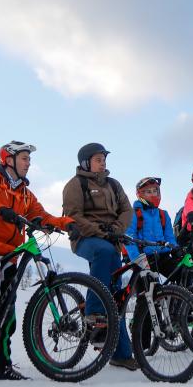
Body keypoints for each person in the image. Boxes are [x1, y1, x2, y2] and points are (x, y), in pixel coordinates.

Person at [0, 142, 75, 380]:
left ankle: (4, 366)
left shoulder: (25, 193)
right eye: (24, 158)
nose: (28, 163)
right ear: (8, 159)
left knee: (7, 311)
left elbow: (40, 215)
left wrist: (65, 223)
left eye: (29, 160)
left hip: (9, 253)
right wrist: (0, 209)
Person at [62, 143, 137, 370]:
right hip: (86, 239)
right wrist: (100, 231)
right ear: (86, 162)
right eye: (98, 158)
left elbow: (127, 210)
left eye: (104, 158)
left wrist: (116, 228)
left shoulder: (114, 185)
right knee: (103, 253)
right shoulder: (75, 185)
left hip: (111, 239)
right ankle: (94, 312)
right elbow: (73, 216)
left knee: (117, 296)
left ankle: (122, 353)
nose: (103, 162)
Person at [123, 176, 177, 264]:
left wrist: (175, 249)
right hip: (142, 257)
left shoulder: (163, 214)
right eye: (148, 192)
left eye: (155, 191)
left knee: (185, 272)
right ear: (141, 194)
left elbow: (169, 237)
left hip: (163, 256)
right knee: (149, 278)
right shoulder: (133, 214)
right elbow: (128, 238)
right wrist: (137, 260)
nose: (153, 194)